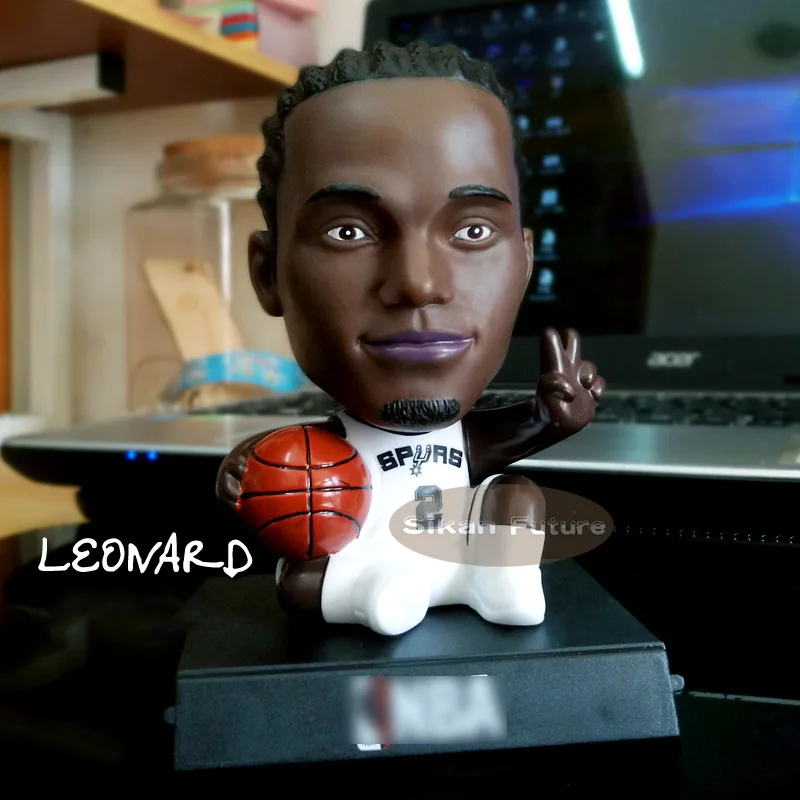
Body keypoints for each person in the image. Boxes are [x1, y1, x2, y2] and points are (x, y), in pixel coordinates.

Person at [217, 40, 605, 636]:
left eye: (472, 231)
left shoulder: (461, 440)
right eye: (348, 231)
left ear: (525, 265)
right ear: (269, 275)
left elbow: (500, 440)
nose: (419, 285)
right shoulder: (328, 451)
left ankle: (498, 578)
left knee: (514, 493)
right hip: (363, 559)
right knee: (302, 580)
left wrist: (551, 418)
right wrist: (249, 467)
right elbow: (281, 468)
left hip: (460, 558)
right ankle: (378, 595)